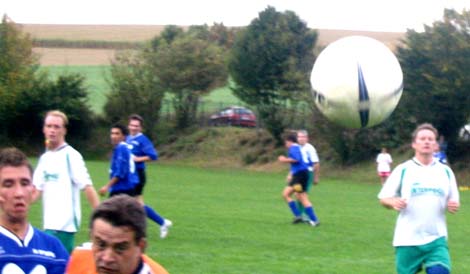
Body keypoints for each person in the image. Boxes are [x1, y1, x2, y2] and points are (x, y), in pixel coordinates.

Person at [378, 123, 460, 274]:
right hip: (407, 238)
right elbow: (383, 197)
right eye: (422, 139)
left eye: (430, 139)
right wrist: (392, 202)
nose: (427, 141)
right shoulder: (403, 169)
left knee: (439, 271)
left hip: (437, 238)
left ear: (436, 145)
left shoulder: (445, 171)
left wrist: (452, 205)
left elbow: (453, 200)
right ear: (414, 144)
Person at [33, 110, 100, 253]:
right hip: (49, 226)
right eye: (49, 126)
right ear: (44, 129)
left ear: (64, 130)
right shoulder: (44, 158)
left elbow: (87, 187)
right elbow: (35, 192)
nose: (52, 130)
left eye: (57, 127)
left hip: (65, 227)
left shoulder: (72, 156)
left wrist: (101, 216)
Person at [0, 147, 69, 273]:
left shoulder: (54, 248)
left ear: (32, 190)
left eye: (25, 183)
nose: (19, 193)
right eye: (8, 184)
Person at [99, 124, 172, 238]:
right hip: (128, 184)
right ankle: (158, 224)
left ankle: (110, 235)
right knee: (134, 209)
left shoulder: (123, 148)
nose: (113, 136)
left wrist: (107, 186)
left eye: (117, 133)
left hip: (123, 186)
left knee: (109, 212)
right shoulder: (121, 148)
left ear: (124, 136)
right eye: (112, 133)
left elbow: (121, 172)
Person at [66, 194, 169, 274]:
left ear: (141, 247)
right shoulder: (81, 256)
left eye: (120, 248)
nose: (107, 258)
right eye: (101, 245)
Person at [126, 114, 172, 238]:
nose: (134, 128)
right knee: (134, 204)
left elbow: (153, 156)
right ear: (128, 125)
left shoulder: (143, 140)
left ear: (140, 128)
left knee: (130, 203)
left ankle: (142, 229)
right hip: (129, 176)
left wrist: (137, 159)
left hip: (138, 176)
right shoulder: (128, 138)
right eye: (132, 125)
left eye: (136, 126)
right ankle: (161, 223)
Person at [278, 133, 320, 226]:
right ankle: (312, 219)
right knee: (300, 196)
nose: (286, 145)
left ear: (289, 141)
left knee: (287, 194)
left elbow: (297, 159)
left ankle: (300, 216)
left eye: (286, 143)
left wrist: (284, 160)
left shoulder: (294, 148)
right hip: (302, 175)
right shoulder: (297, 147)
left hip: (299, 176)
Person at [296, 130, 320, 219]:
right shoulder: (296, 148)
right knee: (297, 194)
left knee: (303, 195)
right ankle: (299, 215)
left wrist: (316, 177)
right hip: (297, 175)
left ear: (307, 138)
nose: (301, 139)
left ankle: (307, 215)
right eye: (299, 137)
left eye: (303, 137)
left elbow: (316, 163)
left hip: (307, 174)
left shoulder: (310, 148)